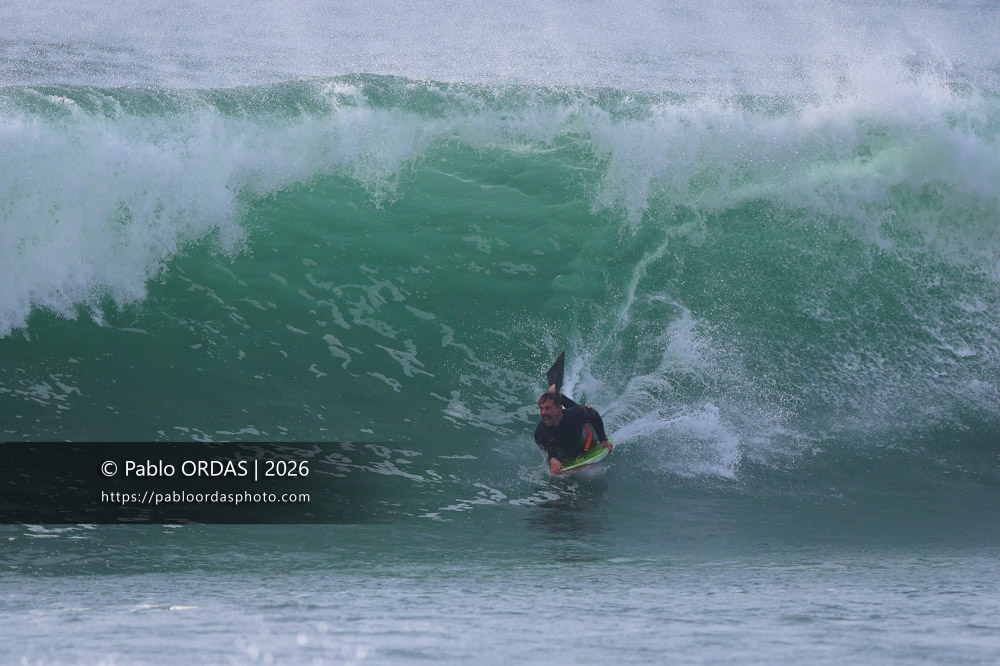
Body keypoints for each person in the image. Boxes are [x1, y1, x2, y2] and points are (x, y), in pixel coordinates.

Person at [534, 384, 613, 475]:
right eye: (541, 409)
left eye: (547, 408)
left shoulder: (575, 415)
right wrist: (553, 459)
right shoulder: (540, 432)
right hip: (566, 452)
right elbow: (548, 449)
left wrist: (603, 439)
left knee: (580, 411)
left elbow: (593, 415)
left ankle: (560, 396)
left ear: (559, 408)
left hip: (587, 439)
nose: (543, 413)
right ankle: (557, 395)